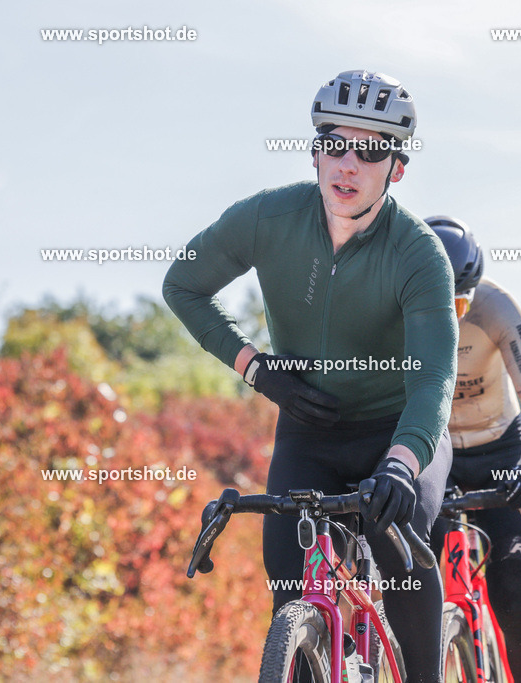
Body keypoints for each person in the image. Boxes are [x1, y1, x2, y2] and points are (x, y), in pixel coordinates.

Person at [163, 69, 457, 682]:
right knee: (289, 586)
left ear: (396, 167)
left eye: (370, 150)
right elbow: (183, 285)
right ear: (315, 150)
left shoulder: (420, 255)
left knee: (405, 558)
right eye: (333, 144)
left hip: (398, 434)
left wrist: (402, 464)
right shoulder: (268, 219)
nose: (347, 164)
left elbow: (432, 381)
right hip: (308, 433)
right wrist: (257, 370)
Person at [425, 216, 521, 683]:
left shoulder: (496, 306)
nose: (453, 312)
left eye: (461, 300)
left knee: (513, 602)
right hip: (433, 451)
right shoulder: (389, 305)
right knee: (413, 589)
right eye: (437, 299)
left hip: (501, 455)